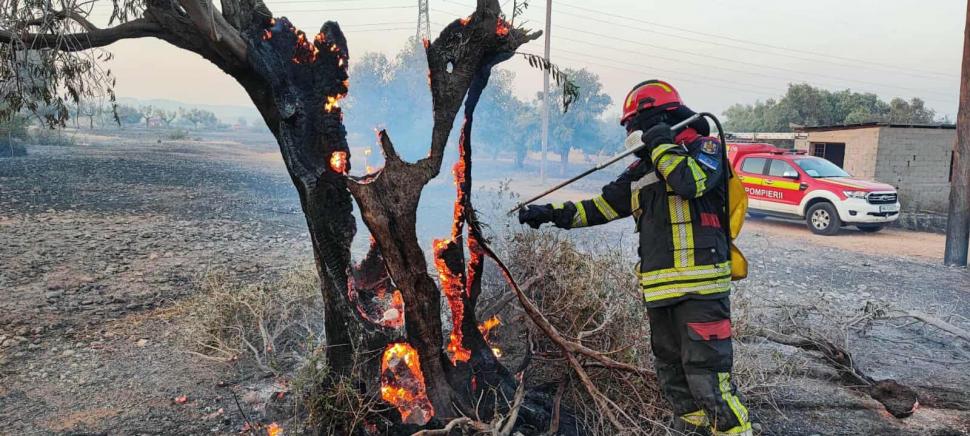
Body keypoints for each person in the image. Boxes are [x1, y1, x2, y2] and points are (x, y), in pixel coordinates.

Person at [518, 80, 752, 436]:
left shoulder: (704, 148)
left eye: (637, 126)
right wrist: (551, 214)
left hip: (701, 293)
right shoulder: (640, 171)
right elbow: (601, 206)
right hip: (659, 294)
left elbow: (690, 183)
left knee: (708, 384)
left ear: (663, 119)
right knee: (675, 383)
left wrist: (660, 143)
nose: (633, 135)